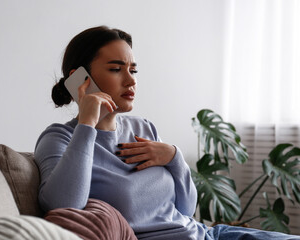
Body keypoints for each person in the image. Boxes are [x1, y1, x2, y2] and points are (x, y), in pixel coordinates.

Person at [34, 26, 300, 240]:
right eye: (116, 69)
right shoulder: (60, 138)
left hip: (210, 234)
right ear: (80, 79)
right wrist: (87, 125)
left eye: (133, 69)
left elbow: (185, 210)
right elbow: (63, 204)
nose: (131, 80)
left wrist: (174, 157)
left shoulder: (144, 128)